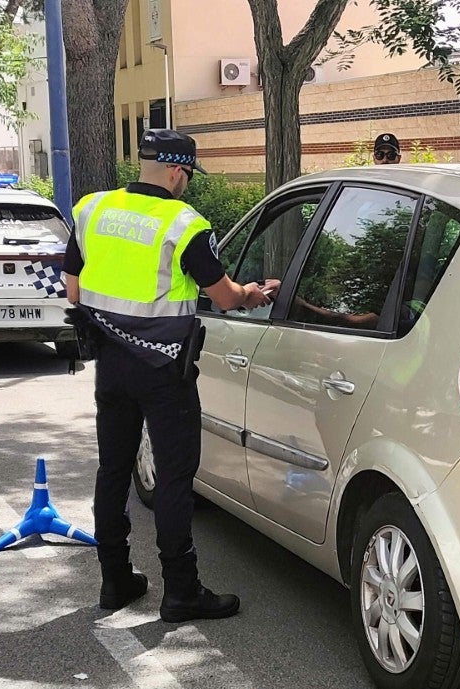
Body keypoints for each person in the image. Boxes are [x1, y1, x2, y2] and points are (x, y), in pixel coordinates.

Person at [63, 129, 274, 622]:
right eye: (188, 177)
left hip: (111, 366)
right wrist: (252, 293)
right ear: (178, 171)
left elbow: (73, 290)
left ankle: (115, 579)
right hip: (164, 370)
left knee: (112, 470)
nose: (186, 185)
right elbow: (223, 297)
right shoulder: (184, 223)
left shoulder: (92, 210)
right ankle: (180, 591)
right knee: (176, 478)